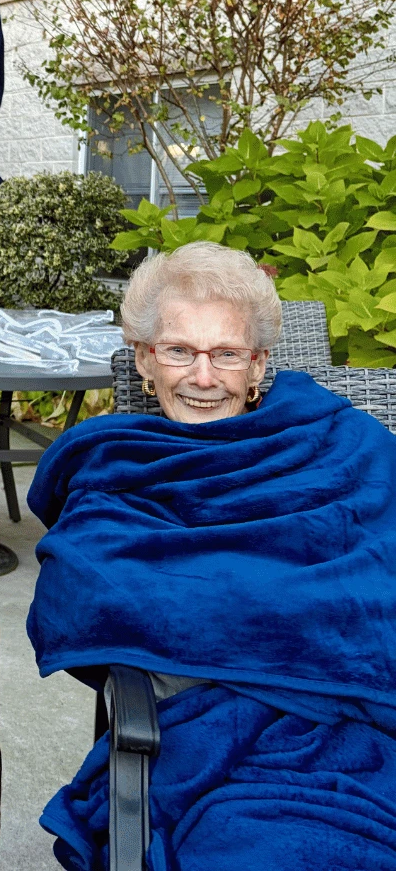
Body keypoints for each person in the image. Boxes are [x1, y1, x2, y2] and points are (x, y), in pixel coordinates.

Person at [26, 242, 396, 871]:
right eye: (179, 351)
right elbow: (86, 590)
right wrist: (286, 608)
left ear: (257, 366)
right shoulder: (114, 465)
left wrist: (226, 604)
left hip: (364, 722)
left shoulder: (344, 445)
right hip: (202, 731)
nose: (203, 377)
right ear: (145, 359)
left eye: (226, 354)